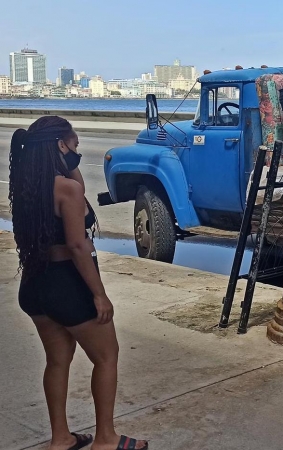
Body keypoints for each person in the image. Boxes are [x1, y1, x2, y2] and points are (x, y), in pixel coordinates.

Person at [10, 116, 148, 450]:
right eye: (74, 145)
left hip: (35, 284)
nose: (77, 152)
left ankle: (61, 439)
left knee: (57, 361)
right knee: (106, 357)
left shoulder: (28, 183)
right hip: (67, 284)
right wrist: (99, 295)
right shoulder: (66, 189)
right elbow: (76, 245)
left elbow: (78, 192)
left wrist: (65, 159)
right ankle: (106, 439)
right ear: (60, 145)